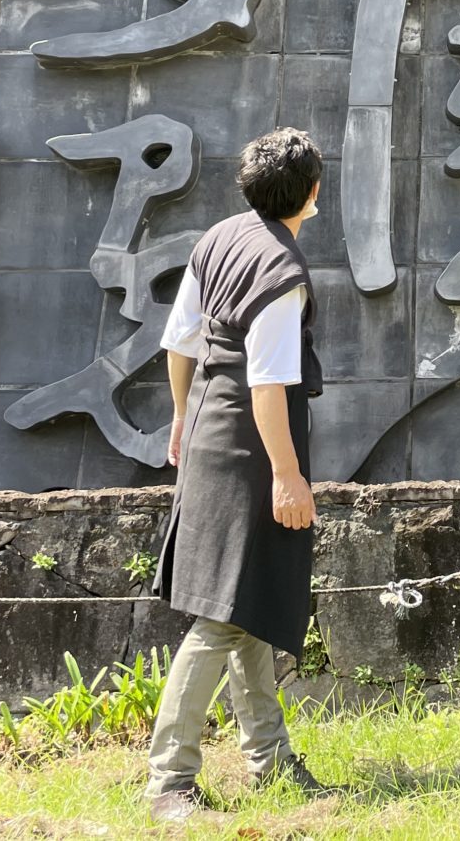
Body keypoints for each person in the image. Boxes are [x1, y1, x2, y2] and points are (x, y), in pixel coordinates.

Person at [145, 127, 331, 820]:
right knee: (222, 617)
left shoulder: (218, 238)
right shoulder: (280, 269)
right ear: (312, 192)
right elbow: (269, 383)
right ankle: (169, 781)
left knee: (246, 603)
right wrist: (287, 475)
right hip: (253, 450)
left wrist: (180, 418)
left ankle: (270, 760)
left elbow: (179, 341)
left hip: (209, 433)